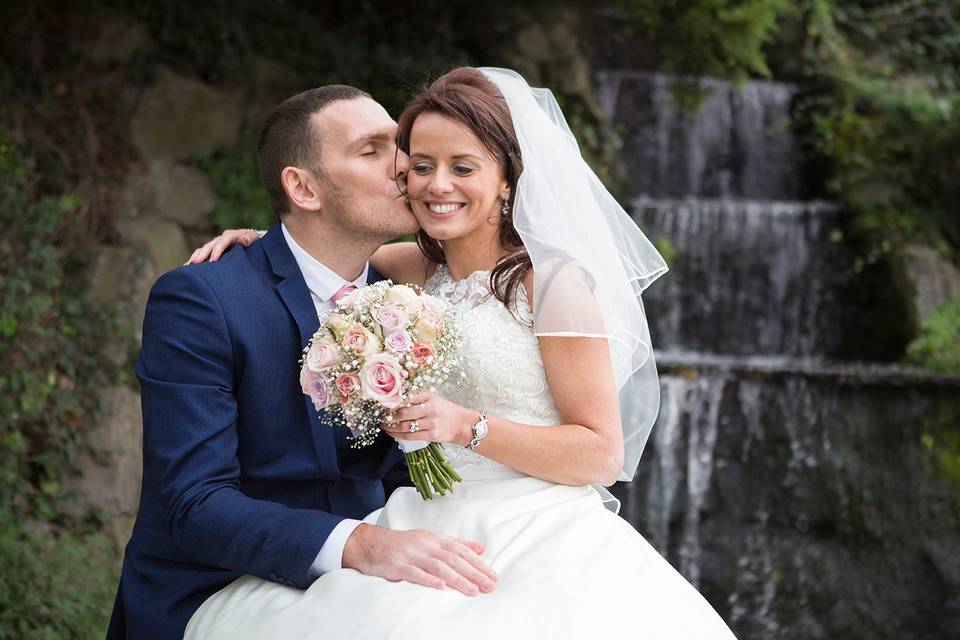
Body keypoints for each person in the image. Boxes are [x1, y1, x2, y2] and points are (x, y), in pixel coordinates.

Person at [184, 67, 738, 639]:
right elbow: (320, 256)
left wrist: (466, 426)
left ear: (505, 179)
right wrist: (254, 241)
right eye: (421, 167)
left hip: (534, 524)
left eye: (462, 167)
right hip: (423, 512)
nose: (436, 185)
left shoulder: (552, 284)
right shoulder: (414, 270)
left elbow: (601, 454)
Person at [106, 84, 499, 640]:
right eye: (372, 150)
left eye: (400, 145)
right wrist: (362, 546)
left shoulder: (411, 297)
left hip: (382, 563)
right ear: (303, 187)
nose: (406, 166)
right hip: (219, 582)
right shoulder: (204, 299)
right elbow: (194, 504)